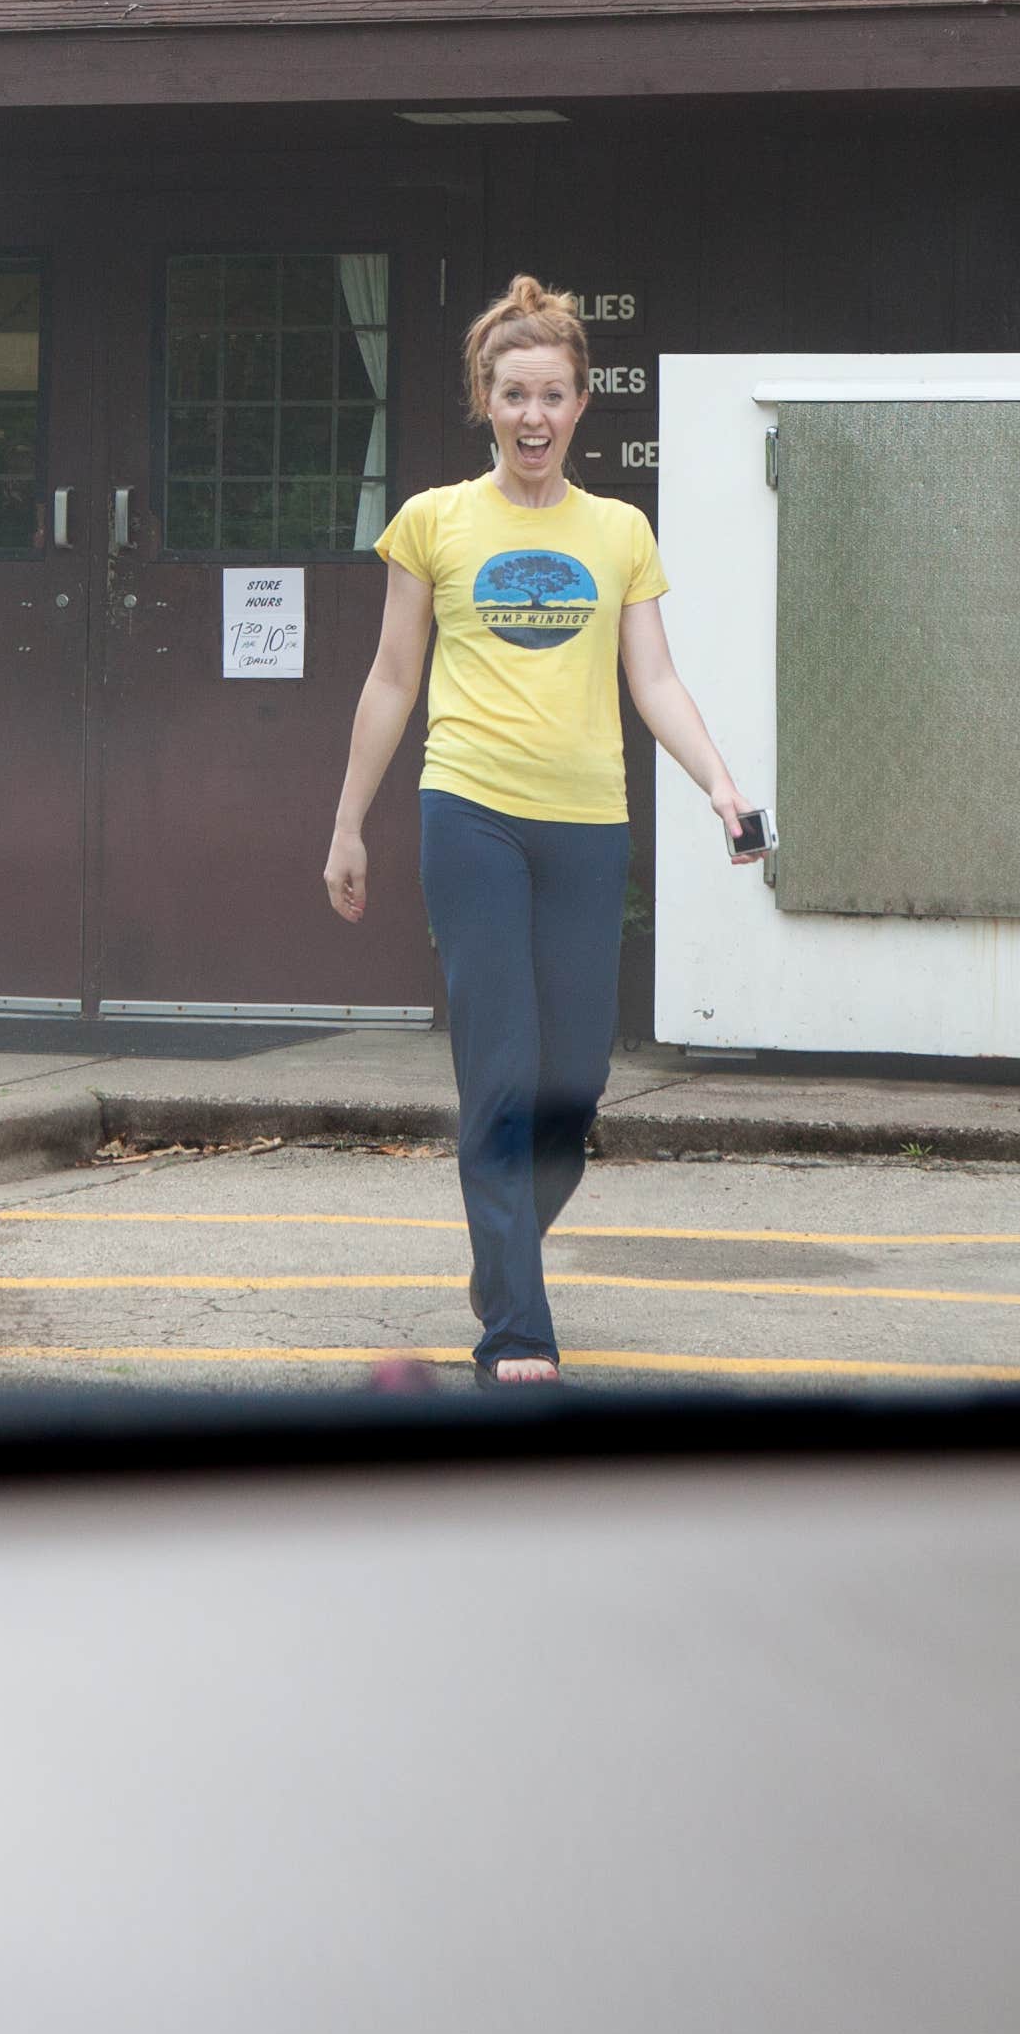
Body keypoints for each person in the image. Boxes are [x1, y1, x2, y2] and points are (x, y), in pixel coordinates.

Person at [322, 276, 762, 1385]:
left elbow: (653, 677)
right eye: (514, 393)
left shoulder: (618, 530)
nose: (532, 416)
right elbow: (389, 679)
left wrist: (717, 781)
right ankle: (516, 1325)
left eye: (553, 396)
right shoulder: (434, 521)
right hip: (468, 814)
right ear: (486, 396)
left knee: (574, 1082)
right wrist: (348, 825)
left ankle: (501, 1251)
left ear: (579, 406)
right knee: (502, 1073)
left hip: (587, 827)